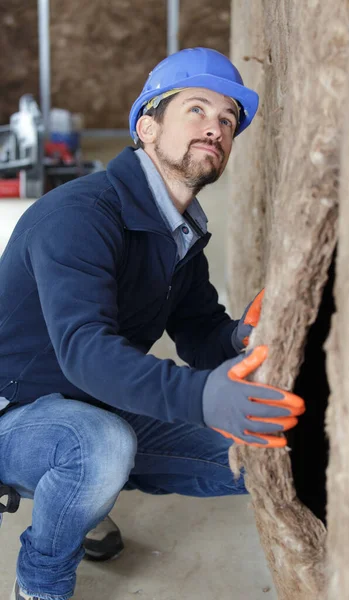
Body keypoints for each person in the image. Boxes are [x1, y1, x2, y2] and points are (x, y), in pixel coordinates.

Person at [0, 48, 305, 600]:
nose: (215, 127)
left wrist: (240, 335)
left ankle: (83, 493)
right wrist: (203, 398)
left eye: (228, 120)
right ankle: (39, 581)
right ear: (147, 126)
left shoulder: (182, 231)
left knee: (266, 451)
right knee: (99, 446)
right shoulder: (79, 217)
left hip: (95, 399)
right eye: (197, 109)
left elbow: (198, 332)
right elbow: (86, 353)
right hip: (15, 409)